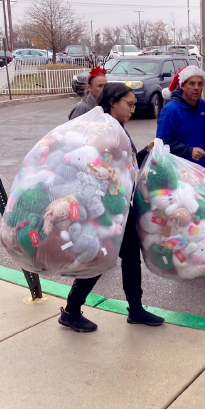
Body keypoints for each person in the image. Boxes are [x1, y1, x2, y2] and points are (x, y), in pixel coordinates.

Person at [58, 83, 163, 333]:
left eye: (135, 104)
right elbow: (92, 167)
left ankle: (135, 309)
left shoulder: (118, 129)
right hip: (100, 206)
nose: (133, 109)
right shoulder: (104, 131)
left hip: (117, 206)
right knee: (99, 258)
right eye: (130, 103)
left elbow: (122, 168)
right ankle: (71, 311)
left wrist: (143, 154)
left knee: (129, 256)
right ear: (113, 102)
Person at [157, 66, 205, 168]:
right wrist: (189, 151)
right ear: (183, 86)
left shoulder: (203, 106)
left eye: (200, 84)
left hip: (199, 169)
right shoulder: (171, 110)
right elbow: (161, 143)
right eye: (192, 84)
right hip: (177, 171)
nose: (196, 88)